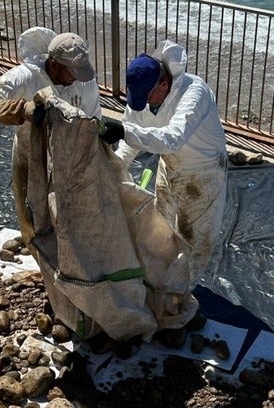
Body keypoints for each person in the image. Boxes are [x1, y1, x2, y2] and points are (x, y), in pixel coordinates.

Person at [100, 40, 228, 288]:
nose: (145, 104)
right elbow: (132, 134)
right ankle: (158, 281)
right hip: (169, 165)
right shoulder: (144, 95)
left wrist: (125, 131)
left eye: (148, 98)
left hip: (203, 174)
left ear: (164, 83)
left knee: (195, 238)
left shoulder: (194, 93)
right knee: (161, 227)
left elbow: (172, 138)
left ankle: (183, 295)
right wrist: (115, 166)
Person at [0, 27, 102, 253]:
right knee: (32, 213)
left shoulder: (83, 81)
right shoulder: (26, 77)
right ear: (54, 64)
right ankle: (38, 253)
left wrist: (101, 141)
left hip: (70, 157)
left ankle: (70, 258)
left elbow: (94, 116)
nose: (76, 78)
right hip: (31, 159)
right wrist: (22, 109)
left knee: (74, 214)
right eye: (71, 72)